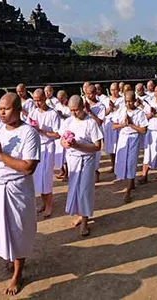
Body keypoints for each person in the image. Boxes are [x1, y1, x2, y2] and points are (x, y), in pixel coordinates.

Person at [0, 92, 40, 296]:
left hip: (17, 188)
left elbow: (27, 167)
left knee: (18, 230)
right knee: (0, 228)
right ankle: (10, 258)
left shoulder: (29, 133)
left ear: (18, 109)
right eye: (0, 108)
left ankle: (18, 273)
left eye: (7, 109)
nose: (2, 112)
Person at [60, 95, 103, 236]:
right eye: (71, 110)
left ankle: (85, 221)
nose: (73, 113)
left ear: (82, 107)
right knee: (75, 188)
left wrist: (78, 145)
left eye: (76, 110)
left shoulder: (91, 123)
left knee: (85, 189)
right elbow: (61, 139)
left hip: (87, 160)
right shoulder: (68, 121)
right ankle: (80, 214)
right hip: (72, 160)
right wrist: (65, 143)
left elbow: (97, 146)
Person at [29, 89, 61, 218]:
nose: (37, 103)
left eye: (40, 100)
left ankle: (49, 205)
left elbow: (57, 134)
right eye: (35, 100)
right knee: (37, 177)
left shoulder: (52, 114)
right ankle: (43, 202)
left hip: (48, 147)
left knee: (46, 177)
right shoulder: (33, 112)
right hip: (37, 148)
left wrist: (41, 130)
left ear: (45, 99)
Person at [112, 91, 148, 203]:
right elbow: (113, 126)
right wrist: (124, 124)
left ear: (135, 100)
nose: (129, 103)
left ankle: (128, 191)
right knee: (123, 162)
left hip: (133, 138)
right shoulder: (121, 111)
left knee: (131, 162)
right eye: (126, 101)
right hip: (123, 138)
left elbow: (143, 130)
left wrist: (131, 124)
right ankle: (130, 183)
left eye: (131, 101)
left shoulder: (140, 113)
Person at [84, 84, 106, 183]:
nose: (89, 96)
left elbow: (100, 122)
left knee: (96, 156)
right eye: (87, 94)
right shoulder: (84, 104)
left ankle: (96, 172)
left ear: (95, 93)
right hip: (85, 133)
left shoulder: (101, 106)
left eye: (91, 94)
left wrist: (90, 112)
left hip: (96, 134)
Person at [100, 82, 122, 172]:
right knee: (111, 146)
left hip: (119, 125)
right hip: (109, 125)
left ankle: (120, 165)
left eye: (115, 89)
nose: (114, 92)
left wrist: (116, 108)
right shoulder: (106, 100)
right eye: (112, 90)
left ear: (119, 90)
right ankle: (113, 165)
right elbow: (103, 114)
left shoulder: (123, 100)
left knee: (119, 146)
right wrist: (109, 108)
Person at [54, 90, 71, 181]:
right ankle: (62, 170)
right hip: (59, 132)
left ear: (66, 97)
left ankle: (67, 173)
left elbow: (72, 118)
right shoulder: (57, 106)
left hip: (67, 133)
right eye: (59, 99)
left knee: (66, 155)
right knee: (59, 154)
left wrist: (63, 115)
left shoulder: (69, 107)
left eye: (62, 99)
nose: (60, 101)